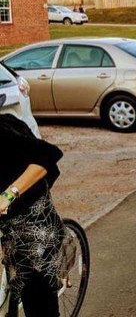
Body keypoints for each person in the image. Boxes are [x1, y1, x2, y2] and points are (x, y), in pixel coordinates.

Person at [0, 108, 64, 317]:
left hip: (35, 224)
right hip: (9, 227)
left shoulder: (4, 130)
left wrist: (9, 195)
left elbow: (48, 156)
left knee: (38, 299)